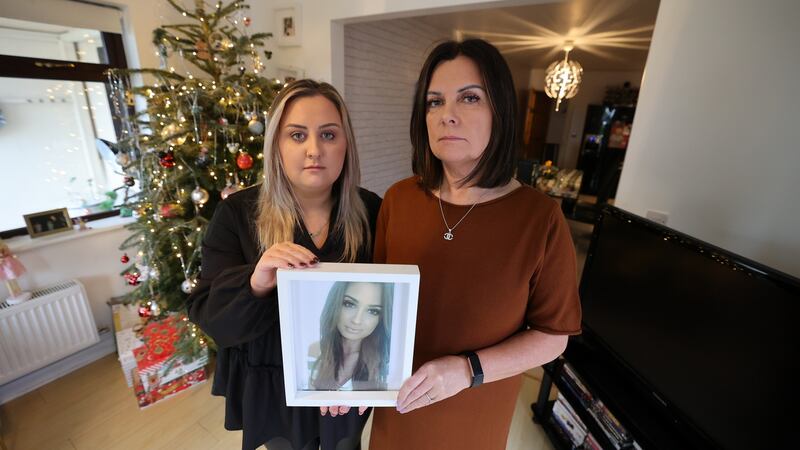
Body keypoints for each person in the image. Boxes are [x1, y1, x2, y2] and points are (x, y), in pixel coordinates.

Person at [368, 39, 583, 449]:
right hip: (399, 407)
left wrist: (468, 371)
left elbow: (554, 336)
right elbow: (377, 298)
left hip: (475, 413)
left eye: (469, 98)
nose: (446, 115)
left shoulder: (539, 217)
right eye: (434, 102)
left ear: (499, 111)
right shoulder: (399, 199)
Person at [187, 79, 382, 450]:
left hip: (346, 380)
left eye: (328, 135)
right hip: (273, 388)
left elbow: (389, 306)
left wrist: (370, 376)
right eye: (297, 135)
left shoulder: (373, 211)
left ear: (346, 144)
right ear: (276, 144)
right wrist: (256, 283)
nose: (314, 150)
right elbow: (208, 314)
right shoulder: (236, 215)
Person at [309, 281, 393, 391]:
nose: (357, 320)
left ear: (382, 318)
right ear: (335, 303)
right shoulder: (315, 351)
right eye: (349, 304)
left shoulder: (386, 365)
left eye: (373, 311)